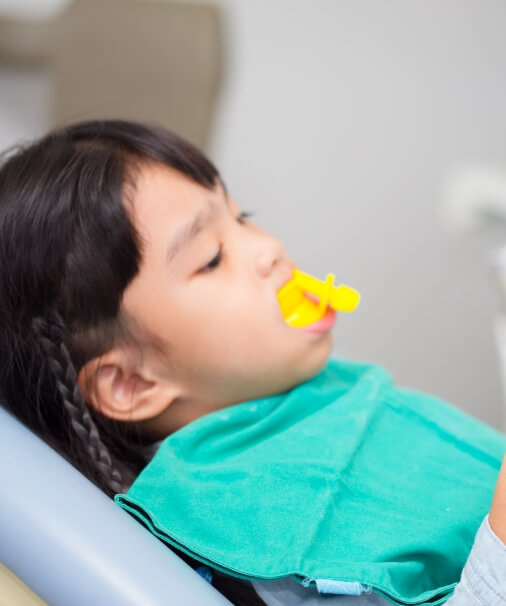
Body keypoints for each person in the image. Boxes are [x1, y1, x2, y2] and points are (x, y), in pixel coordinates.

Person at [0, 120, 504, 606]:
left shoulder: (297, 390)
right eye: (212, 258)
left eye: (243, 217)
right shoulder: (254, 531)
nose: (269, 248)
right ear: (131, 383)